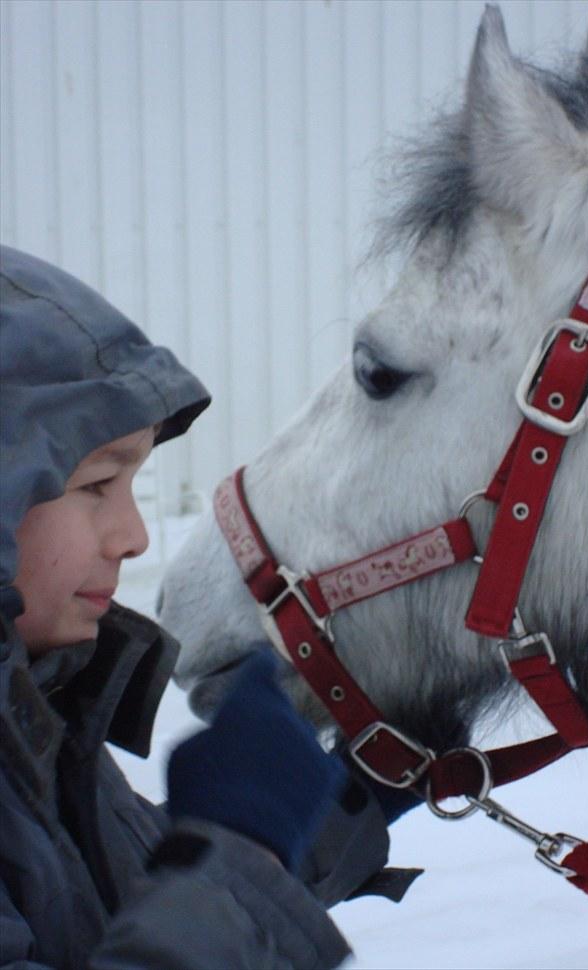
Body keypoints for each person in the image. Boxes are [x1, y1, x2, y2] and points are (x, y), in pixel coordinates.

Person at [0, 245, 415, 970]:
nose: (131, 536)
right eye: (97, 484)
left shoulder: (37, 714)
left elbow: (116, 915)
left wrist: (343, 800)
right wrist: (237, 842)